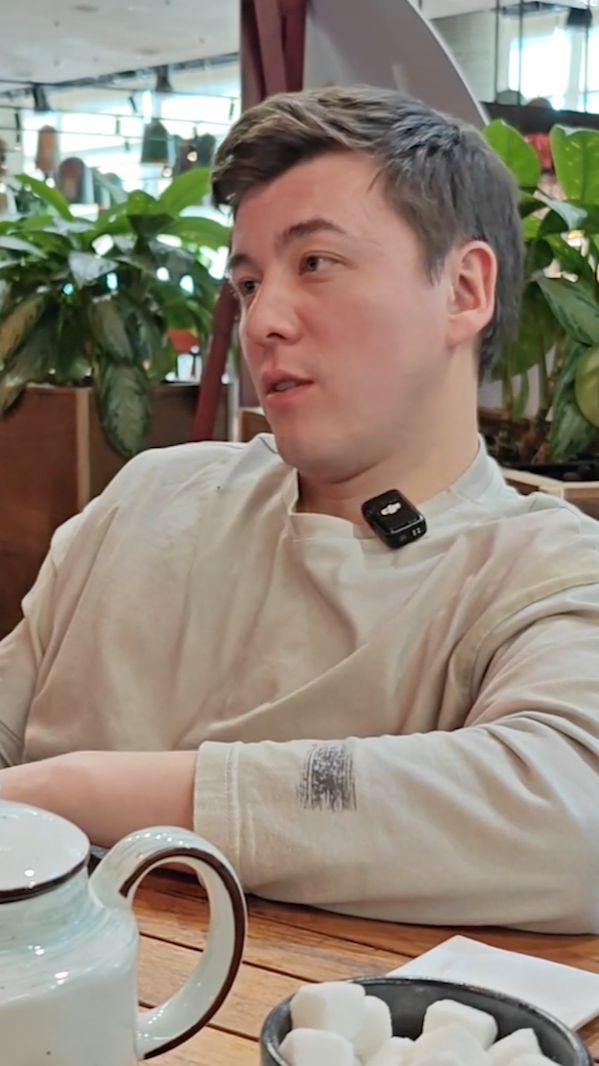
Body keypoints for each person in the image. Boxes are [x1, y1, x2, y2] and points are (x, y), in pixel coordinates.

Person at [2, 86, 599, 933]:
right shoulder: (151, 495)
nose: (262, 322)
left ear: (464, 290)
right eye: (248, 283)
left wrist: (79, 790)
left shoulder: (542, 568)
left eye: (314, 263)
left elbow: (571, 817)